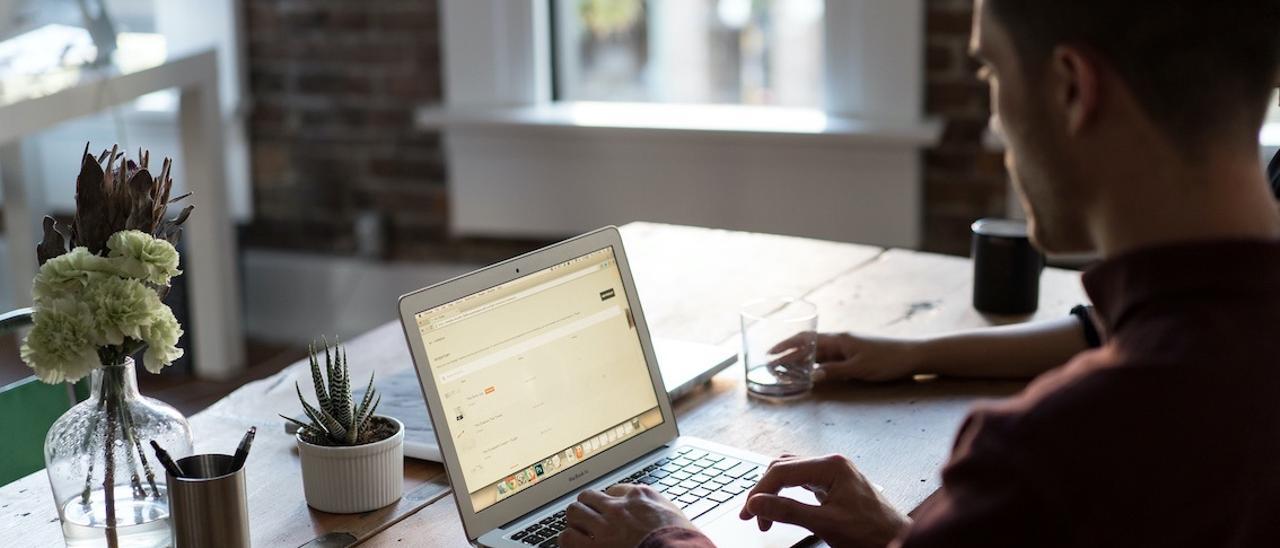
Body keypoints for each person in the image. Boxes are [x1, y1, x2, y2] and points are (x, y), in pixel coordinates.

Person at [560, 0, 1280, 546]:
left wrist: (665, 538)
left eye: (993, 72)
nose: (996, 132)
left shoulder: (1054, 454)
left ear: (1070, 89)